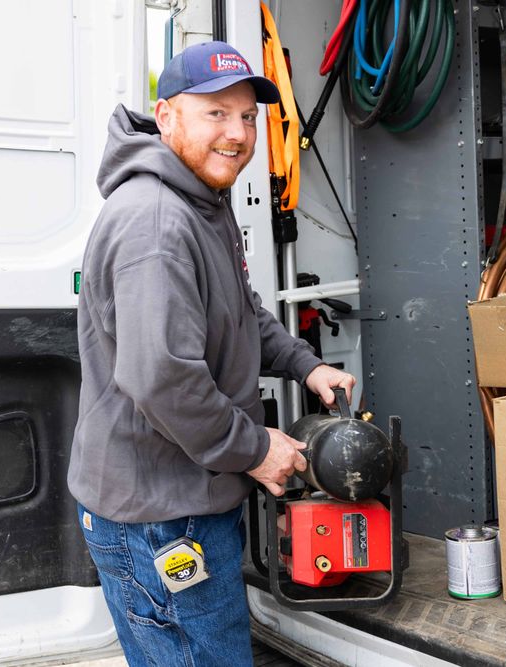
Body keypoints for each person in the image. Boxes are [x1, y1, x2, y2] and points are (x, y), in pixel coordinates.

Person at [68, 41, 356, 666]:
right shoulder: (156, 223)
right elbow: (162, 378)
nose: (238, 133)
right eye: (216, 114)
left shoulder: (200, 201)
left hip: (183, 500)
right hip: (161, 520)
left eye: (249, 117)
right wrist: (255, 449)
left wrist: (306, 366)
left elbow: (243, 311)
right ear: (166, 115)